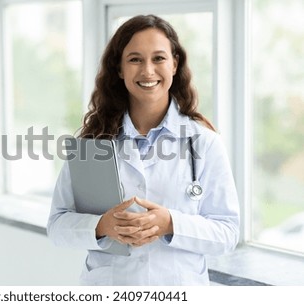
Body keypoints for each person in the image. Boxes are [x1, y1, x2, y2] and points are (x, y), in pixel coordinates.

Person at [47, 15, 239, 285]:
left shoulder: (204, 143)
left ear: (174, 64)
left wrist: (170, 223)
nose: (148, 71)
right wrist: (102, 226)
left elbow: (227, 233)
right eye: (135, 59)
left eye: (159, 58)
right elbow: (57, 226)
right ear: (119, 69)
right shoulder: (93, 143)